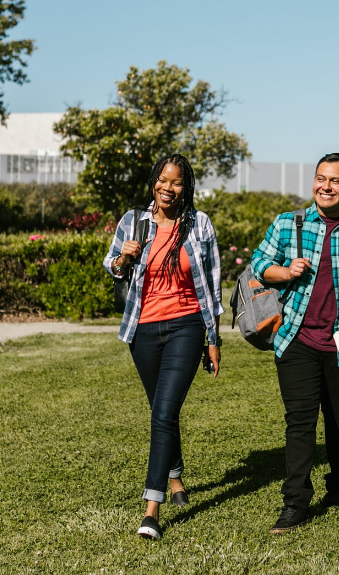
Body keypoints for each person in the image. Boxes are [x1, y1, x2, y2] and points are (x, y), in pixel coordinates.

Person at [250, 152, 339, 534]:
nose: (326, 186)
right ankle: (295, 503)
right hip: (296, 338)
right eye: (321, 179)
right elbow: (259, 263)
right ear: (314, 182)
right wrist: (284, 270)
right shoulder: (287, 224)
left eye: (336, 181)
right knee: (300, 422)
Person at [103, 154, 223, 541]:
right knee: (161, 412)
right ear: (154, 181)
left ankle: (151, 509)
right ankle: (175, 480)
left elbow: (214, 284)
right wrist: (125, 256)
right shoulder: (133, 221)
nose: (167, 188)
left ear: (185, 187)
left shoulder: (199, 224)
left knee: (165, 410)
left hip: (186, 326)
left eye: (176, 182)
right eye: (162, 180)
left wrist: (213, 337)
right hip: (144, 330)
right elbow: (112, 266)